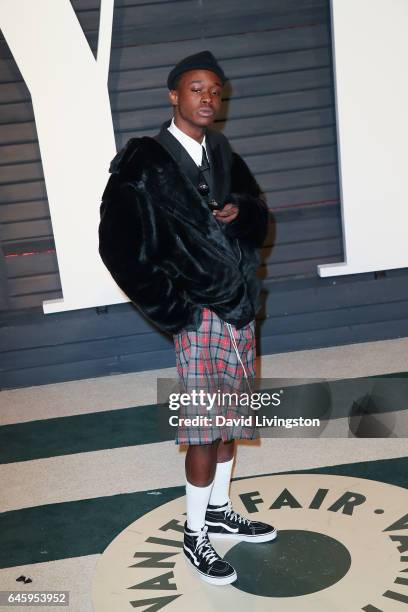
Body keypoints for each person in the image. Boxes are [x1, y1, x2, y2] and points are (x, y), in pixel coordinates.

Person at [98, 50, 277, 586]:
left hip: (240, 308)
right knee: (203, 430)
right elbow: (117, 247)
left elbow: (260, 211)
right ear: (173, 95)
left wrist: (242, 213)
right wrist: (174, 309)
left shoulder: (221, 150)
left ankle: (220, 508)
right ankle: (194, 533)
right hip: (198, 315)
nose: (208, 98)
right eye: (196, 89)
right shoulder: (143, 161)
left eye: (215, 90)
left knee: (231, 424)